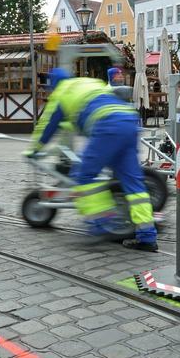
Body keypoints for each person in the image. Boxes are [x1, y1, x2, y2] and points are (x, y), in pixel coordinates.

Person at [26, 68, 158, 252]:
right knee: (134, 184)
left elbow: (48, 126)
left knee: (83, 175)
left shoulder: (61, 94)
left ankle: (101, 225)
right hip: (128, 121)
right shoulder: (90, 82)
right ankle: (147, 236)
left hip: (107, 125)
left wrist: (34, 150)